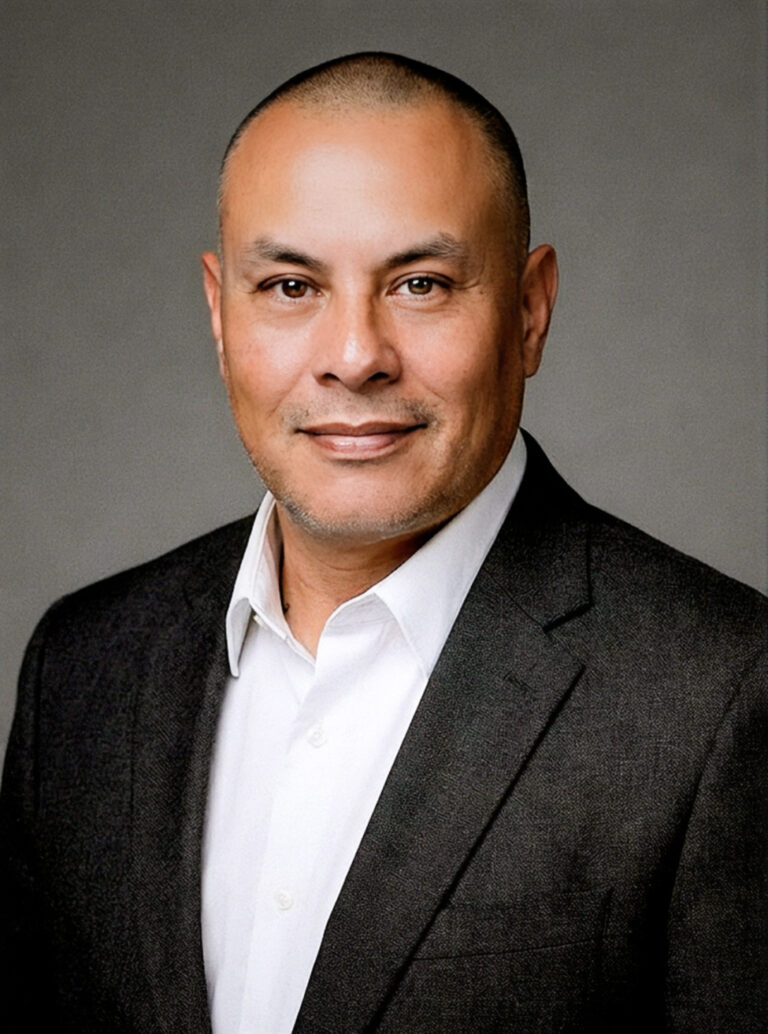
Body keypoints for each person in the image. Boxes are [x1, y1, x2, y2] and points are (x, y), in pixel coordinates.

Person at [1, 51, 765, 1034]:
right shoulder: (82, 668)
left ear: (529, 310)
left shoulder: (719, 694)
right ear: (219, 314)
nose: (355, 355)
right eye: (290, 286)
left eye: (421, 283)